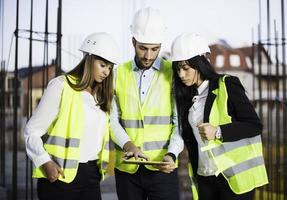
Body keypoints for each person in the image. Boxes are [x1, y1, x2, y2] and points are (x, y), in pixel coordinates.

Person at [170, 33, 269, 200]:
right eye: (178, 68)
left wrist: (218, 132)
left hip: (233, 178)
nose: (181, 74)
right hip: (205, 178)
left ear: (200, 63)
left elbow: (254, 125)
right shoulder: (187, 98)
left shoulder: (227, 85)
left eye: (186, 68)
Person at [24, 32, 120, 200]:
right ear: (89, 59)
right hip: (60, 175)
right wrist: (44, 162)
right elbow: (31, 131)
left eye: (110, 68)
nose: (106, 72)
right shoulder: (61, 86)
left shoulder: (100, 97)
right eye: (102, 65)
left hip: (91, 175)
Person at [110, 7, 184, 200]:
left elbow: (180, 123)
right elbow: (111, 120)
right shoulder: (118, 74)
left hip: (163, 167)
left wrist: (173, 154)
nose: (148, 56)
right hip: (128, 169)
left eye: (155, 49)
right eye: (143, 48)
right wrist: (129, 146)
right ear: (133, 41)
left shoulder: (174, 74)